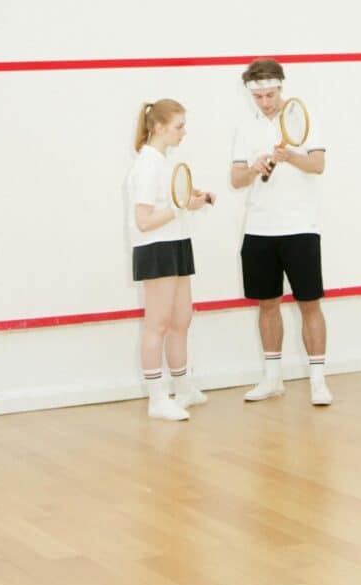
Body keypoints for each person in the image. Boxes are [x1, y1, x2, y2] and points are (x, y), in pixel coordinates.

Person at [230, 59, 332, 406]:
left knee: (309, 304)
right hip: (259, 229)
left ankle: (318, 382)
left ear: (281, 88)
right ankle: (273, 379)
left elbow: (317, 165)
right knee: (267, 305)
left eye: (270, 94)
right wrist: (254, 168)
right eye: (259, 96)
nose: (266, 102)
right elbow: (236, 179)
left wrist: (290, 157)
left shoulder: (303, 118)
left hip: (300, 227)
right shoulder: (245, 128)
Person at [125, 99, 213, 420]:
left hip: (176, 244)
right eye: (179, 126)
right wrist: (181, 207)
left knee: (181, 320)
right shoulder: (146, 165)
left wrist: (194, 200)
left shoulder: (162, 162)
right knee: (157, 325)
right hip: (156, 249)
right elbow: (144, 220)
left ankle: (184, 388)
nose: (184, 132)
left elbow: (171, 202)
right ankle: (156, 398)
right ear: (159, 127)